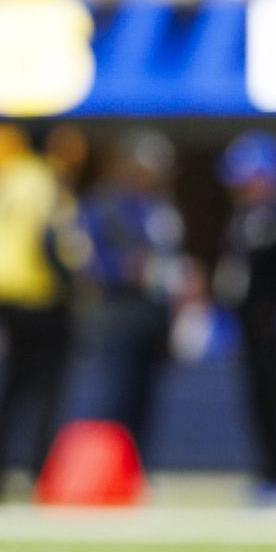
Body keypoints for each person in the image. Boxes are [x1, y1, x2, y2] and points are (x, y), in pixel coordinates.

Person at [0, 124, 87, 502]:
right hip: (40, 295)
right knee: (46, 391)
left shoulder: (0, 179)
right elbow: (51, 240)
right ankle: (40, 472)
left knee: (9, 388)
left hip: (1, 295)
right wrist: (71, 284)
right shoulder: (45, 182)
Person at [215, 131, 276, 504]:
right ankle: (268, 474)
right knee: (255, 403)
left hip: (275, 326)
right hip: (247, 327)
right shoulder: (245, 217)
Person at [79, 130, 183, 463]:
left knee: (146, 398)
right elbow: (86, 257)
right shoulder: (104, 205)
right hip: (117, 314)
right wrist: (121, 269)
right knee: (114, 396)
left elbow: (168, 258)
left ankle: (137, 469)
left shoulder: (160, 209)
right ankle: (107, 469)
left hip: (153, 315)